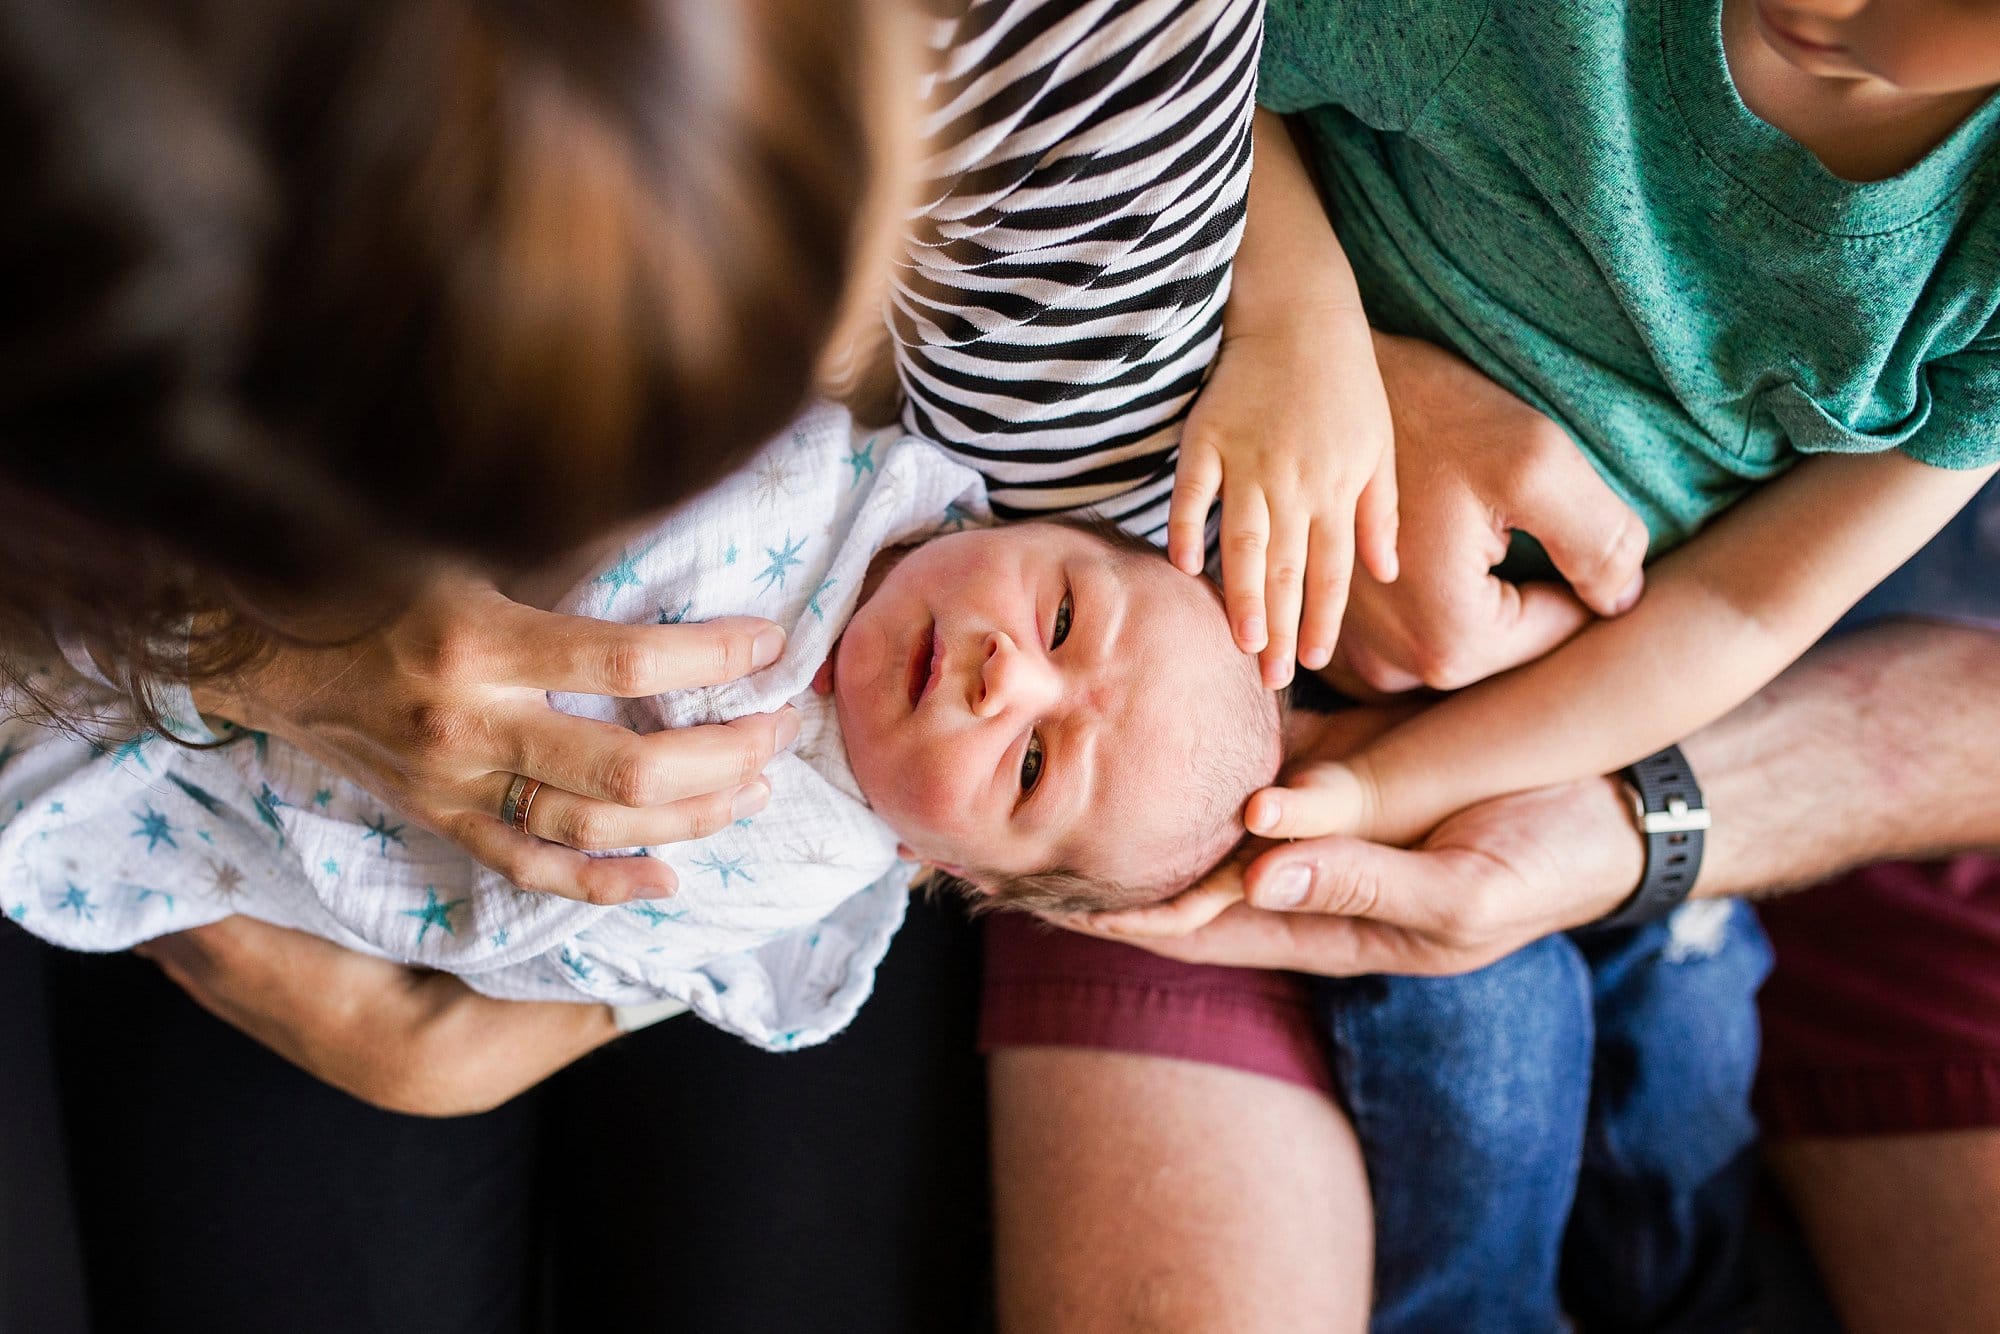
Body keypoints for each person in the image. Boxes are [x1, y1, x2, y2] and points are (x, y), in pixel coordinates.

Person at [989, 0, 2000, 1327]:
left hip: (1572, 726)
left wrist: (1393, 787)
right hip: (1212, 618)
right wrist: (1301, 327)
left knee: (1688, 1060)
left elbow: (1746, 616)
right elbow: (1193, 74)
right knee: (1484, 1064)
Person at [4, 413, 1281, 1050]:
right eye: (1061, 611)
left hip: (283, 762)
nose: (1009, 675)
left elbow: (536, 926)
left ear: (950, 870)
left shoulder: (788, 856)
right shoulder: (849, 471)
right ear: (1031, 525)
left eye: (1034, 762)